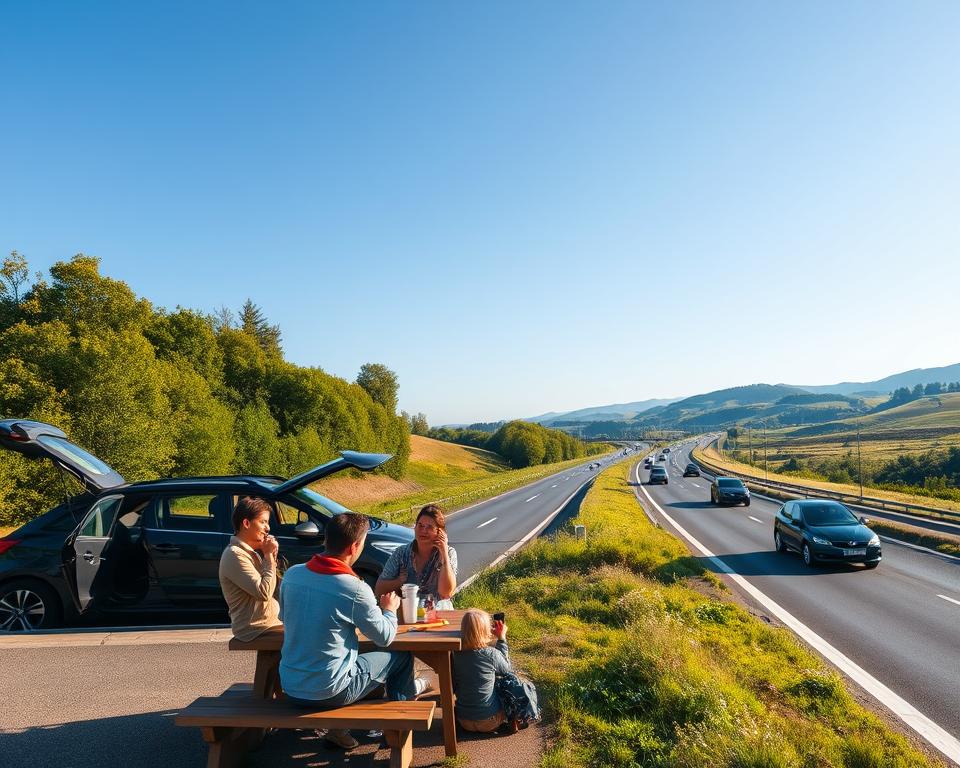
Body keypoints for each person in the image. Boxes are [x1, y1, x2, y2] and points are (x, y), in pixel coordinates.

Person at [279, 512, 429, 750]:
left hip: (290, 685)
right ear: (354, 546)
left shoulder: (292, 575)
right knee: (400, 657)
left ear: (326, 540)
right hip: (330, 690)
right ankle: (398, 734)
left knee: (360, 660)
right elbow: (385, 636)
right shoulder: (354, 588)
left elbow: (285, 618)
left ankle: (340, 729)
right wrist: (389, 609)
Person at [218, 496, 282, 642]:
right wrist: (268, 556)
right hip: (256, 629)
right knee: (304, 637)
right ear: (246, 523)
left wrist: (272, 556)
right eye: (263, 522)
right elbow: (264, 592)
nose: (268, 528)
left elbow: (274, 587)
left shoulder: (249, 553)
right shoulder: (235, 554)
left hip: (269, 624)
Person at [375, 504, 458, 609]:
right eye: (420, 525)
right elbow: (379, 590)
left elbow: (446, 593)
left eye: (429, 527)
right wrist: (399, 582)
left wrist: (444, 555)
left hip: (437, 614)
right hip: (408, 614)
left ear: (440, 532)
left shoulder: (449, 553)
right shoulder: (401, 553)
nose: (423, 530)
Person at [451, 609, 512, 732]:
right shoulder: (491, 654)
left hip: (463, 720)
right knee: (509, 680)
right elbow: (506, 669)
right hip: (489, 720)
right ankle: (511, 721)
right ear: (486, 631)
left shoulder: (455, 654)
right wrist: (501, 639)